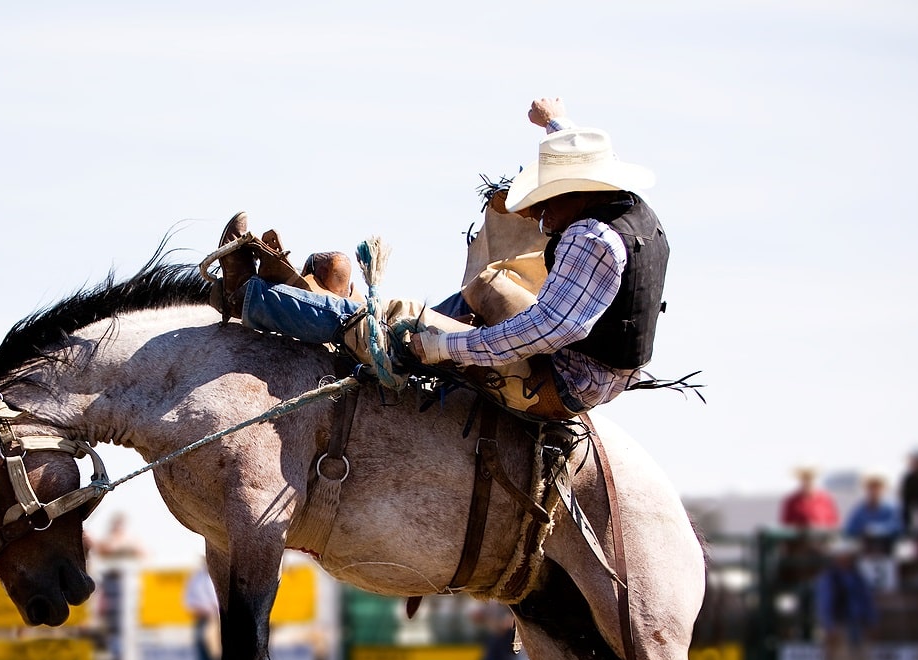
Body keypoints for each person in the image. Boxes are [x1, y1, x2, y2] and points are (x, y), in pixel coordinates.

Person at [210, 97, 669, 419]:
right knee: (490, 283)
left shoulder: (591, 239)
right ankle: (351, 318)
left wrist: (443, 347)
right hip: (588, 367)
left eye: (548, 199)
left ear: (579, 191)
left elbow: (545, 331)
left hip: (557, 382)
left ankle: (247, 296)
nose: (540, 213)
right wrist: (557, 123)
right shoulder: (624, 207)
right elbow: (581, 160)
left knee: (400, 321)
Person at [815, 539, 878, 660]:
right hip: (841, 630)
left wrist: (871, 622)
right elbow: (824, 606)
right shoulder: (831, 578)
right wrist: (830, 627)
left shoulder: (856, 577)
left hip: (857, 628)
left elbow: (867, 601)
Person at [843, 472, 901, 592]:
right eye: (871, 487)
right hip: (865, 553)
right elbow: (849, 530)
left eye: (877, 487)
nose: (874, 490)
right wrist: (863, 530)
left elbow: (898, 527)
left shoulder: (891, 508)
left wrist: (878, 529)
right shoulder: (860, 509)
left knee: (886, 585)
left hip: (886, 552)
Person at [183, 562, 222, 660]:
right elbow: (191, 604)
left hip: (218, 621)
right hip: (210, 622)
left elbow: (190, 603)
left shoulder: (199, 579)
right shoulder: (199, 579)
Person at [779, 466, 839, 533]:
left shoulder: (825, 499)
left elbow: (833, 521)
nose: (807, 482)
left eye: (810, 478)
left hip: (821, 538)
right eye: (805, 478)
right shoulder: (792, 501)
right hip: (800, 539)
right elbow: (786, 524)